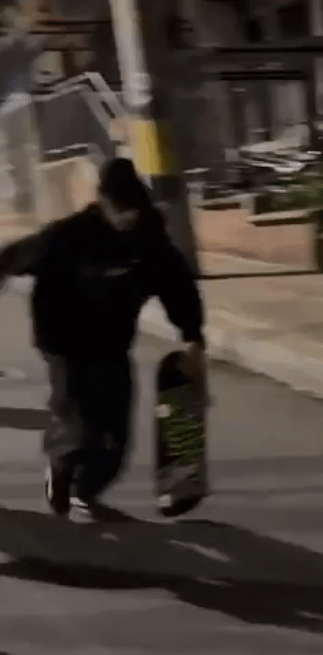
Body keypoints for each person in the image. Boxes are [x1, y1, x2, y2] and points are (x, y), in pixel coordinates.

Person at [0, 157, 206, 521]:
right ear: (103, 203)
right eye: (119, 210)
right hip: (62, 342)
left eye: (133, 210)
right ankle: (61, 470)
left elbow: (178, 287)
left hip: (112, 344)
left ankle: (86, 490)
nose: (127, 218)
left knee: (116, 436)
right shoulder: (65, 237)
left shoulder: (149, 241)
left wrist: (193, 338)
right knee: (80, 423)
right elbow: (8, 259)